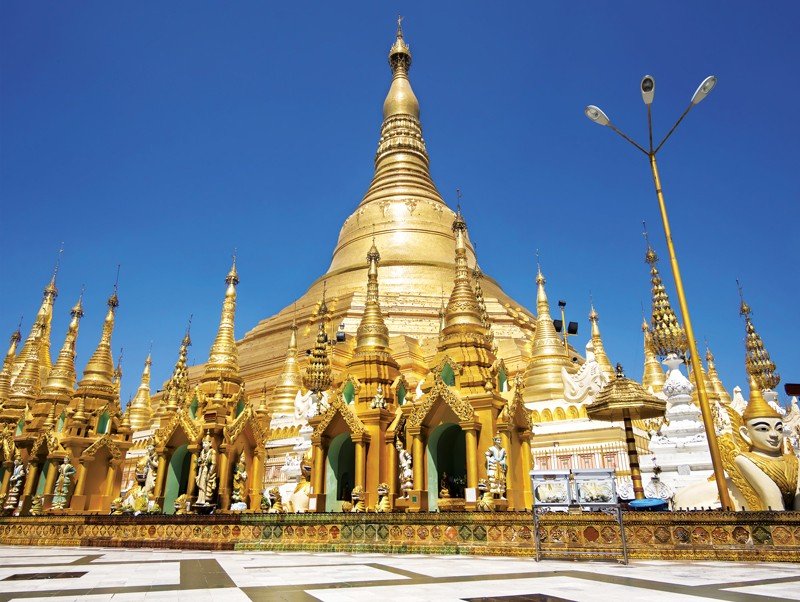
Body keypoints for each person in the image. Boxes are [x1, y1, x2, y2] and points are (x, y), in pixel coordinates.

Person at [195, 434, 218, 505]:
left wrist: (209, 473)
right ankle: (200, 499)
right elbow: (200, 461)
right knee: (201, 483)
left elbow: (213, 464)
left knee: (206, 483)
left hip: (208, 471)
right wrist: (199, 462)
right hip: (202, 470)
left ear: (210, 443)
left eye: (205, 443)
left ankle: (206, 499)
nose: (204, 445)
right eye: (203, 443)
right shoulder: (202, 452)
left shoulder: (212, 452)